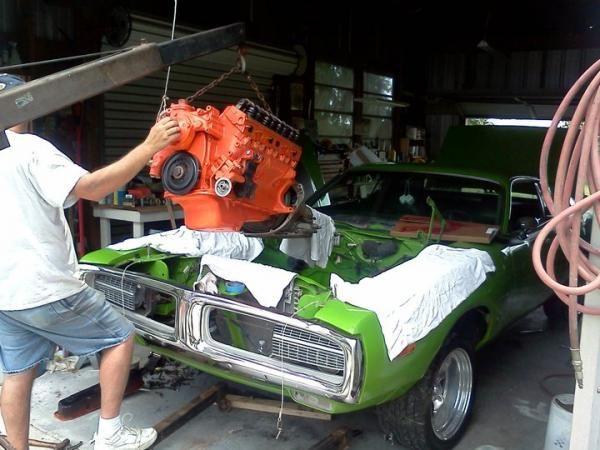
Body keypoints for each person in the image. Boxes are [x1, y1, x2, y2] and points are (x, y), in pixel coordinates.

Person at [0, 73, 181, 450]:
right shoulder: (28, 149)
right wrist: (150, 145)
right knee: (120, 337)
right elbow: (95, 189)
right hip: (44, 287)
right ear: (25, 106)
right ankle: (111, 436)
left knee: (17, 373)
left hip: (7, 294)